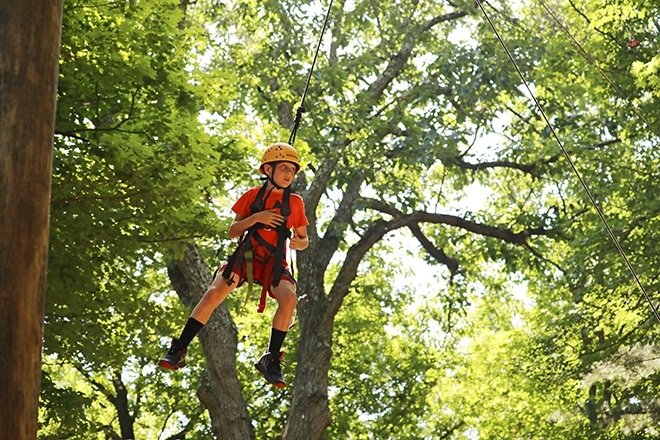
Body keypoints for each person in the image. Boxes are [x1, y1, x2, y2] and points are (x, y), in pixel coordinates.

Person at [158, 142, 309, 389]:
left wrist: (297, 242)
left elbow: (304, 240)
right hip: (246, 256)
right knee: (213, 293)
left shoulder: (294, 203)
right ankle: (179, 348)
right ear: (267, 170)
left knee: (289, 298)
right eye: (283, 167)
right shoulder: (252, 196)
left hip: (274, 263)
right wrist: (257, 218)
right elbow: (233, 230)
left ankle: (271, 358)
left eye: (292, 170)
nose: (288, 173)